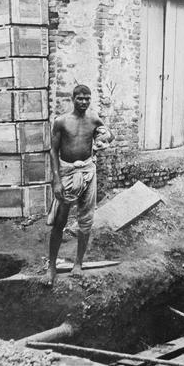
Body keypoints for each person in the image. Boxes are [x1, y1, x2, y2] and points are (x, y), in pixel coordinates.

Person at [46, 85, 113, 286]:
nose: (84, 102)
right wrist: (56, 180)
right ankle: (51, 267)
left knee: (86, 220)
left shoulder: (94, 119)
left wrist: (104, 139)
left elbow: (108, 135)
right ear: (72, 99)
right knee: (60, 220)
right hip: (66, 173)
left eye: (87, 98)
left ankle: (78, 263)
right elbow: (53, 151)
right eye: (80, 98)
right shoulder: (61, 122)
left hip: (87, 172)